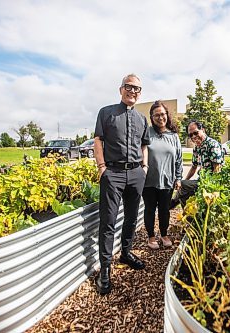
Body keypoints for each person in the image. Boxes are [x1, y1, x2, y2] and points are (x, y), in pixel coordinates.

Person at [93, 73, 150, 295]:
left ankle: (126, 253)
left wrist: (144, 168)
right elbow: (98, 140)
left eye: (137, 89)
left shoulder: (141, 119)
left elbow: (144, 145)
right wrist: (101, 168)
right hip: (113, 173)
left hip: (136, 173)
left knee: (131, 218)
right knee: (108, 221)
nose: (133, 91)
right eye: (129, 87)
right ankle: (105, 268)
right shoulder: (106, 113)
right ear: (121, 89)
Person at [143, 101, 183, 250]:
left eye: (163, 114)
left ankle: (164, 234)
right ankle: (151, 236)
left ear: (167, 115)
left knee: (164, 210)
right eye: (157, 115)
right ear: (152, 117)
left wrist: (178, 177)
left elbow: (178, 159)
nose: (160, 118)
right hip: (149, 181)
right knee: (149, 209)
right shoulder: (146, 133)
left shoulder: (173, 136)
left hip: (167, 180)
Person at [170, 120, 224, 208]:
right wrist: (184, 182)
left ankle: (173, 203)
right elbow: (193, 167)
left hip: (211, 183)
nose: (193, 136)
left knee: (184, 188)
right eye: (190, 135)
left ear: (203, 130)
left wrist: (212, 189)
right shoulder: (197, 148)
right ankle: (189, 217)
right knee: (184, 191)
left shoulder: (212, 145)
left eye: (195, 133)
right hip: (201, 180)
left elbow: (217, 169)